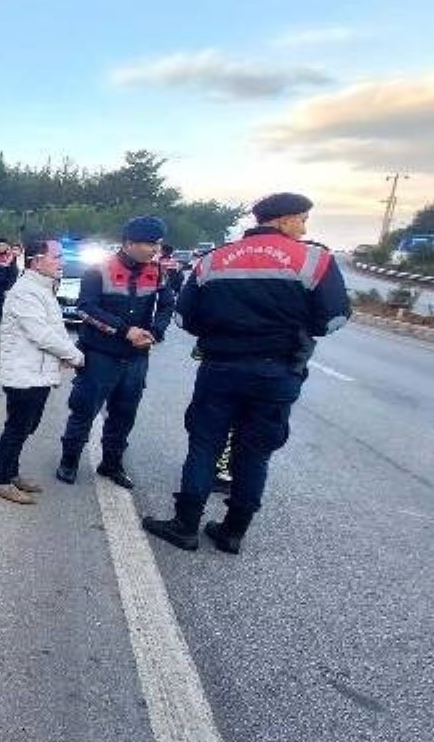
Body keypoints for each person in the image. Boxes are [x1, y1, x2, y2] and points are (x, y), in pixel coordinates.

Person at [143, 193, 350, 553]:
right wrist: (296, 329)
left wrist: (222, 332)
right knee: (255, 452)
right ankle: (233, 532)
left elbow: (184, 318)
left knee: (205, 444)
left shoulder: (214, 260)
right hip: (278, 372)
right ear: (284, 219)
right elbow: (333, 319)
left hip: (221, 367)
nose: (304, 229)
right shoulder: (315, 259)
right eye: (302, 220)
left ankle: (185, 525)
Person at [55, 216, 176, 488]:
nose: (155, 249)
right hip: (101, 354)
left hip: (136, 358)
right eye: (150, 244)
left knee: (124, 414)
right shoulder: (99, 270)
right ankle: (69, 460)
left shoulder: (157, 271)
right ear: (129, 243)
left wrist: (155, 332)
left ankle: (111, 463)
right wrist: (125, 331)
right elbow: (86, 308)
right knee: (84, 410)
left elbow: (167, 305)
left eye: (157, 243)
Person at [0, 238, 85, 504]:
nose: (62, 262)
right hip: (24, 373)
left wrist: (65, 353)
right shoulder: (26, 291)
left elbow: (56, 329)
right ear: (37, 261)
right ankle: (0, 480)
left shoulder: (43, 287)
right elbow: (41, 334)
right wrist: (74, 356)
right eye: (57, 257)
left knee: (26, 426)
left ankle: (11, 472)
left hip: (37, 372)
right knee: (17, 427)